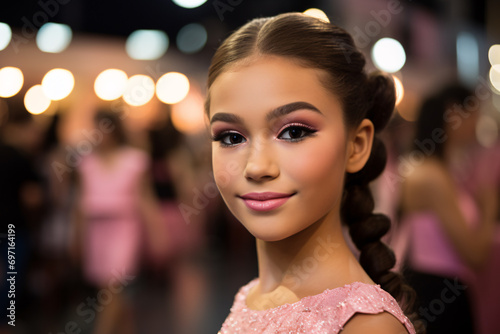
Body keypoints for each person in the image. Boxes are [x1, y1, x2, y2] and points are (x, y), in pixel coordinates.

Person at [205, 12, 419, 333]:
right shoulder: (250, 295)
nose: (257, 167)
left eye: (293, 132)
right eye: (231, 137)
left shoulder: (367, 327)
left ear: (356, 145)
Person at [396, 84, 497, 333]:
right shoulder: (432, 176)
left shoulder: (440, 171)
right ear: (453, 114)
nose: (478, 121)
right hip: (439, 289)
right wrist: (489, 208)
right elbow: (474, 254)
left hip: (440, 286)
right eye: (473, 113)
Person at [72, 110, 165, 334]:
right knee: (110, 290)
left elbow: (146, 198)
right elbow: (80, 202)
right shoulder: (86, 162)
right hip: (96, 229)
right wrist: (76, 236)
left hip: (124, 228)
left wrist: (158, 232)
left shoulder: (134, 159)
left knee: (112, 286)